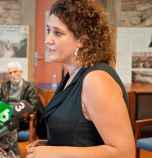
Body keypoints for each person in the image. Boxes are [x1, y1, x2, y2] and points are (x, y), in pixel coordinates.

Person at [27, 0, 135, 158]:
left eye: (58, 33)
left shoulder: (96, 80)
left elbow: (124, 153)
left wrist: (54, 153)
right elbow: (82, 135)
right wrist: (49, 144)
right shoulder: (71, 75)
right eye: (48, 30)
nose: (47, 40)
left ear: (82, 41)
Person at [0, 61, 42, 157]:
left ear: (20, 72)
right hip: (5, 115)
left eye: (15, 72)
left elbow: (33, 104)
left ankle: (14, 154)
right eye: (10, 73)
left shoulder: (29, 87)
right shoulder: (5, 86)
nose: (12, 75)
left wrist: (20, 112)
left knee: (10, 123)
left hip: (22, 118)